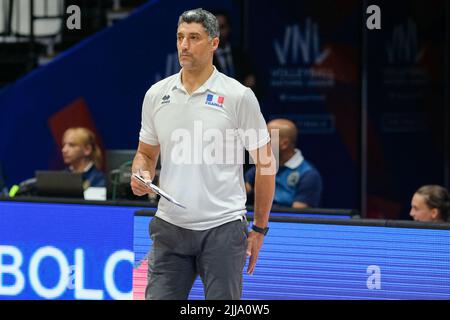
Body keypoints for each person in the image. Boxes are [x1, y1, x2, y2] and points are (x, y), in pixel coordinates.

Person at [130, 8, 275, 300]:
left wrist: (260, 228)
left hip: (222, 227)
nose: (184, 45)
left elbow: (266, 164)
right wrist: (140, 173)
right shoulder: (156, 94)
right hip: (169, 227)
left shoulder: (238, 96)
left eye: (194, 37)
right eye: (180, 37)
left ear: (214, 43)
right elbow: (145, 153)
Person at [245, 118, 322, 208]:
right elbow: (239, 195)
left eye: (267, 138)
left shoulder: (308, 175)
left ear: (284, 144)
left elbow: (297, 217)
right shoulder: (261, 167)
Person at [212, 11, 258, 94]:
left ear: (229, 28)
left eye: (222, 27)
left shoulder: (240, 54)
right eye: (215, 29)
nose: (219, 33)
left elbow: (251, 79)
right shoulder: (206, 58)